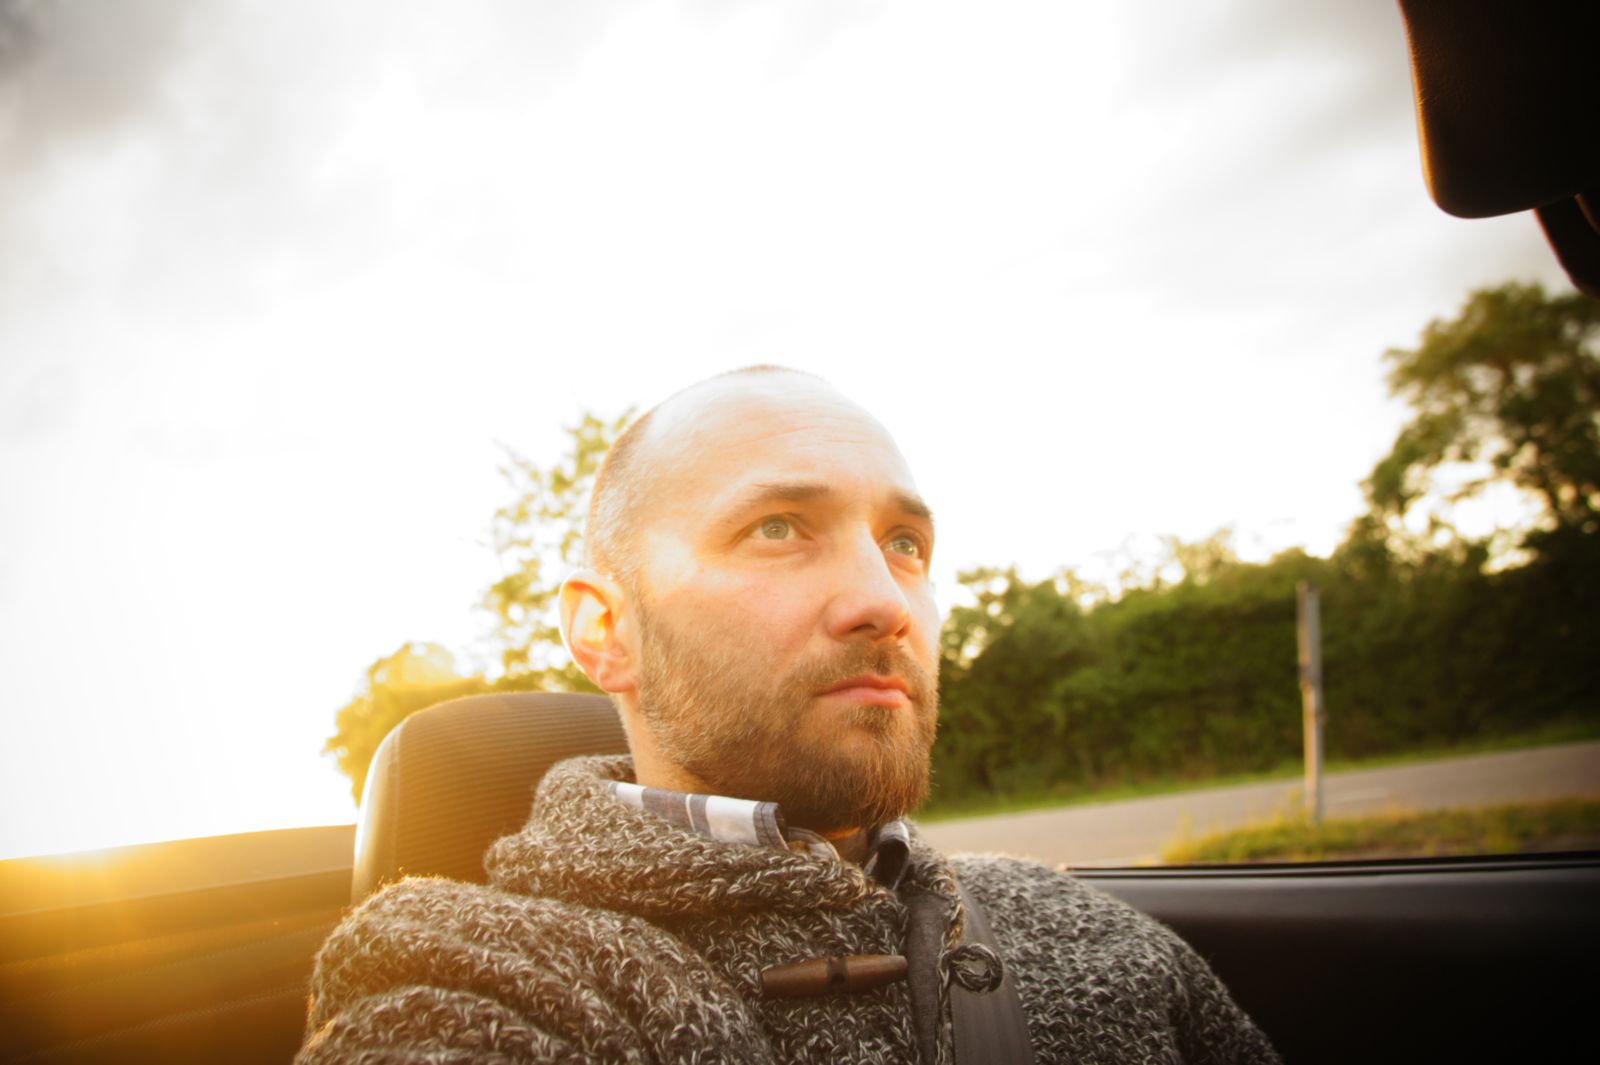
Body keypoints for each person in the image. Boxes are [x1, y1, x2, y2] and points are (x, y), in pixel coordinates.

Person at [297, 366, 1279, 1064]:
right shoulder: (480, 978)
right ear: (607, 630)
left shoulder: (1087, 928)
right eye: (778, 528)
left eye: (905, 542)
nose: (885, 600)